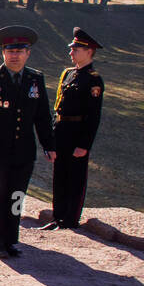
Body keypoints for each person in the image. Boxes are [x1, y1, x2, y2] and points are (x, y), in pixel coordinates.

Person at [0, 26, 55, 259]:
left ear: (28, 53)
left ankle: (11, 239)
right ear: (3, 53)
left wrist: (49, 145)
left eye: (20, 51)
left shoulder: (35, 79)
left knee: (17, 197)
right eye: (10, 51)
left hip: (23, 152)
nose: (14, 55)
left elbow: (42, 116)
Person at [45, 28, 105, 231]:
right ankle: (58, 216)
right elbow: (57, 107)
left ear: (89, 51)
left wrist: (84, 144)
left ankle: (70, 220)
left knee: (75, 178)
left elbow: (93, 116)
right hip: (61, 131)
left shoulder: (93, 79)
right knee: (59, 175)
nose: (71, 52)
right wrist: (52, 137)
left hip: (77, 132)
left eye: (76, 49)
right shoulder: (68, 74)